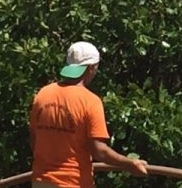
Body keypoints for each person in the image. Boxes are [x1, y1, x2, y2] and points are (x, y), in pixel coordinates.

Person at [29, 41, 149, 188]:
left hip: (40, 181)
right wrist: (130, 164)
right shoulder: (90, 101)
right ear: (91, 68)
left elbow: (35, 140)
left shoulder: (43, 94)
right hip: (73, 183)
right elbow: (99, 150)